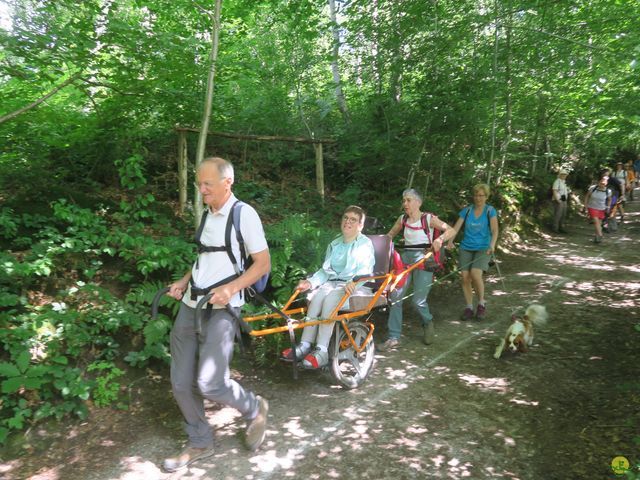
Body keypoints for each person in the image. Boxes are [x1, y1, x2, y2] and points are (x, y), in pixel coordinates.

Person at [162, 157, 271, 472]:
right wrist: (183, 282)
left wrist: (231, 288)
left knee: (210, 383)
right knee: (181, 383)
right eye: (199, 184)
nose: (202, 189)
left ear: (228, 182)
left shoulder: (243, 215)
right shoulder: (207, 216)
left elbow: (262, 264)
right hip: (191, 305)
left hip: (223, 309)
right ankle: (199, 441)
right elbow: (204, 258)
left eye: (207, 183)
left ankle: (254, 407)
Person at [281, 206, 375, 368]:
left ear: (360, 225)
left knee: (330, 298)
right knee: (316, 297)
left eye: (353, 219)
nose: (348, 222)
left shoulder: (365, 244)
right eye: (345, 218)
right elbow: (324, 272)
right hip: (332, 284)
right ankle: (305, 345)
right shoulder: (335, 244)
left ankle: (322, 350)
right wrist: (310, 283)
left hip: (354, 287)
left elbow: (366, 270)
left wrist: (353, 282)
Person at [377, 189, 456, 351]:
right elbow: (389, 236)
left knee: (418, 300)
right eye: (404, 200)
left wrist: (440, 239)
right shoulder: (402, 219)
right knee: (395, 296)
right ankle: (394, 337)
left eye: (408, 200)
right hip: (405, 259)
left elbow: (451, 230)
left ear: (418, 203)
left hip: (424, 259)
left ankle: (427, 322)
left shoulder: (428, 219)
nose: (405, 203)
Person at [447, 184, 499, 321]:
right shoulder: (467, 211)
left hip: (483, 247)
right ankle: (469, 307)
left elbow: (495, 230)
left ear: (486, 197)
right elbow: (456, 227)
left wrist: (492, 245)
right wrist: (450, 240)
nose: (478, 198)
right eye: (476, 195)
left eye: (481, 195)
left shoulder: (490, 211)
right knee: (464, 277)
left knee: (475, 273)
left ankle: (481, 303)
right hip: (466, 247)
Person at [583, 173, 611, 243]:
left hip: (601, 208)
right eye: (601, 182)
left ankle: (597, 238)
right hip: (592, 207)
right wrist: (585, 206)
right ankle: (601, 235)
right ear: (599, 181)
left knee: (598, 223)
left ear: (606, 184)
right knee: (596, 221)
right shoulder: (593, 188)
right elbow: (587, 196)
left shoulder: (608, 191)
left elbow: (609, 199)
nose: (602, 184)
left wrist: (608, 207)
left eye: (604, 183)